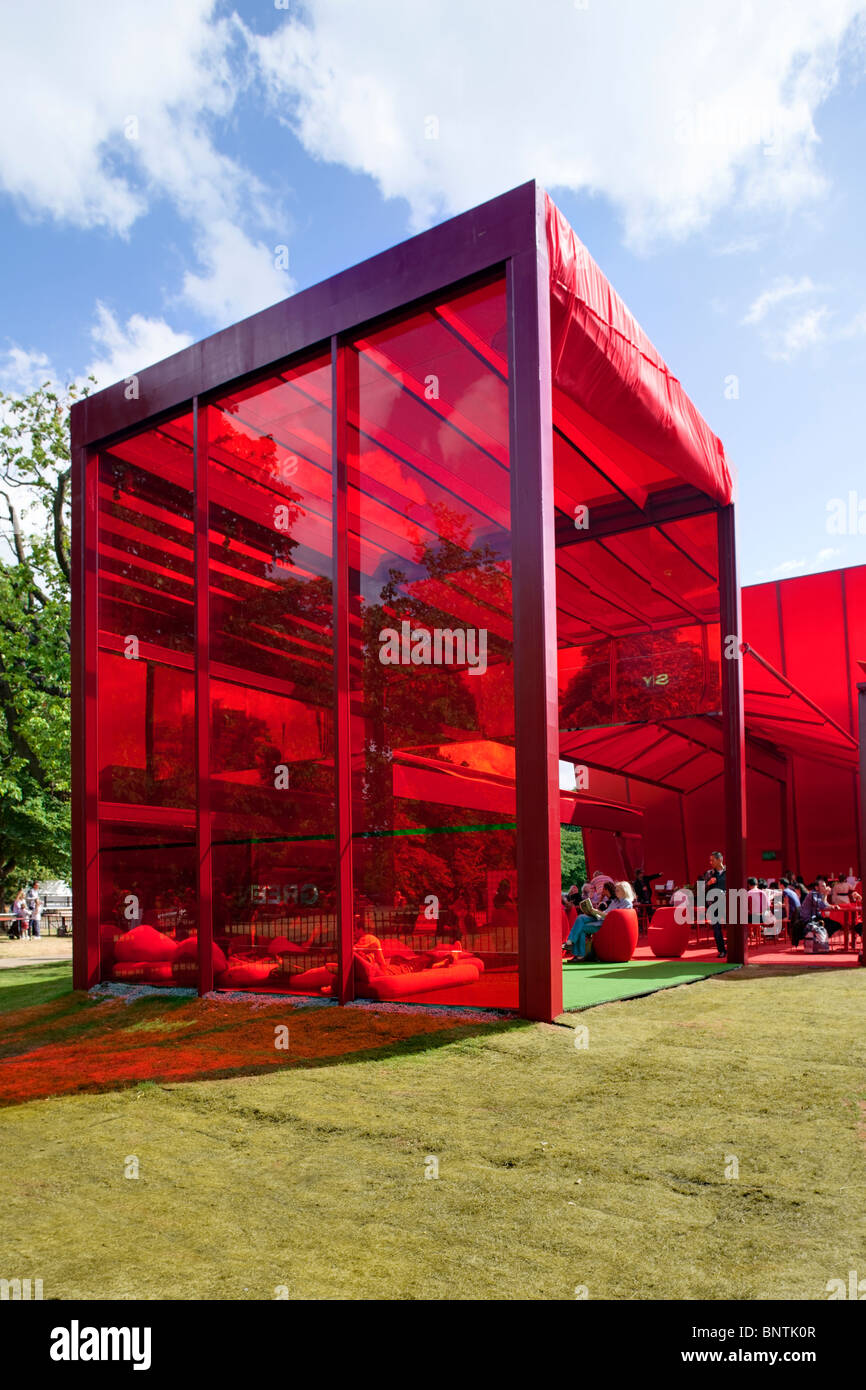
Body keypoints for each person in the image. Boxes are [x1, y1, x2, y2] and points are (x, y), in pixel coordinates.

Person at [564, 880, 633, 962]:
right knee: (581, 917)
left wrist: (596, 912)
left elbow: (614, 917)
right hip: (601, 918)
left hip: (606, 924)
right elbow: (607, 913)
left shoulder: (627, 903)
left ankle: (578, 954)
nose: (615, 892)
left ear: (624, 891)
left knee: (581, 929)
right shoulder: (616, 901)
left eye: (617, 890)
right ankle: (570, 942)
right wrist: (593, 912)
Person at [795, 878, 831, 947]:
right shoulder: (813, 894)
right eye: (823, 886)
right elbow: (821, 906)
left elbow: (825, 904)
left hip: (814, 917)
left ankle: (822, 943)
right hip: (808, 919)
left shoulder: (819, 894)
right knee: (830, 923)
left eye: (825, 886)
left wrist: (831, 906)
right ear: (816, 887)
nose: (825, 888)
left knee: (831, 922)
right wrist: (826, 895)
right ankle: (821, 944)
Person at [704, 851, 728, 958]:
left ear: (720, 860)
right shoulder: (709, 874)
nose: (710, 862)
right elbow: (700, 889)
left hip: (728, 904)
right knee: (716, 928)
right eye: (710, 860)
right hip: (713, 905)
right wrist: (708, 883)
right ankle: (722, 950)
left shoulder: (729, 872)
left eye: (712, 860)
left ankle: (733, 949)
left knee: (731, 928)